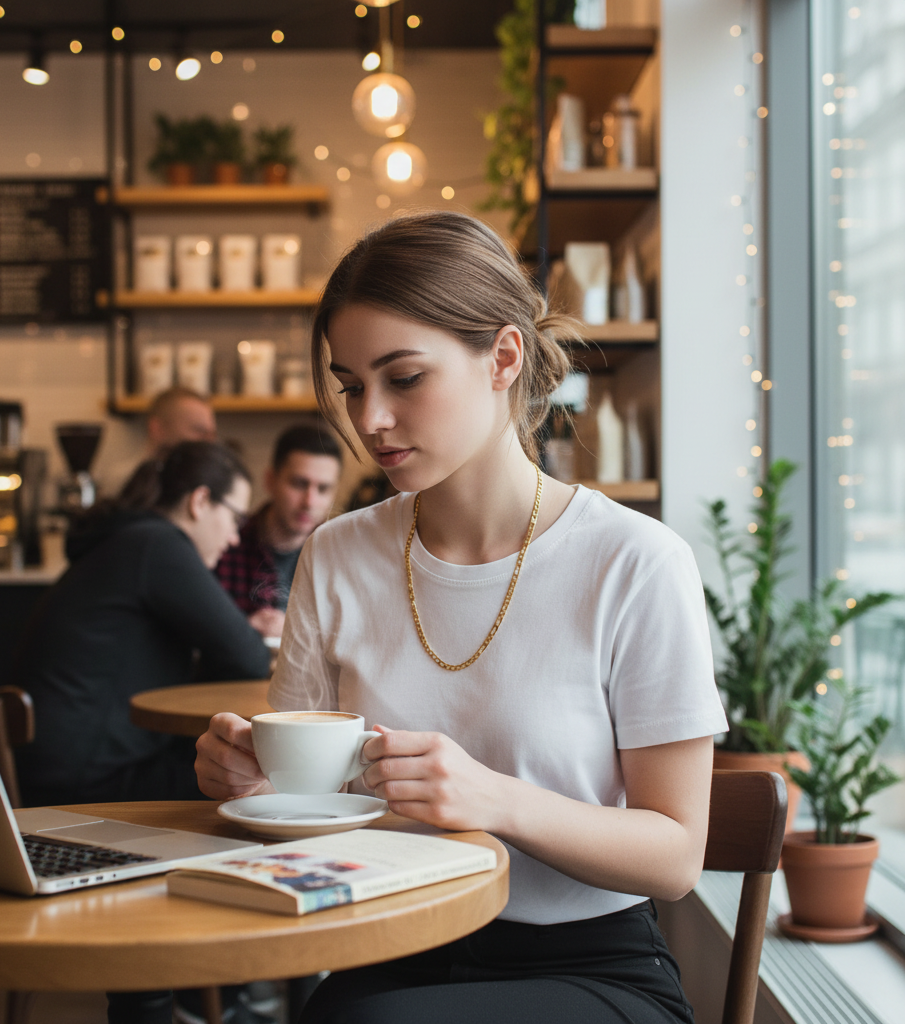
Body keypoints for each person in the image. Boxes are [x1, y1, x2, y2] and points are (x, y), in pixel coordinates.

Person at [195, 211, 728, 1024]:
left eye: (403, 378)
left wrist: (494, 799)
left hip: (592, 968)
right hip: (385, 942)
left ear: (504, 358)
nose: (369, 418)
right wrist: (253, 781)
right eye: (350, 385)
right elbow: (307, 808)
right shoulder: (337, 554)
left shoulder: (636, 562)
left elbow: (676, 854)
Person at [16, 441, 271, 809]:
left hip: (57, 768)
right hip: (89, 781)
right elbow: (248, 657)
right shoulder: (158, 543)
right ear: (199, 501)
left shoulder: (127, 539)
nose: (234, 538)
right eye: (236, 518)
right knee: (251, 783)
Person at [215, 424, 343, 638]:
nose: (309, 502)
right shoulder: (227, 544)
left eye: (323, 489)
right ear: (270, 480)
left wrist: (294, 632)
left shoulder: (339, 555)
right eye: (299, 484)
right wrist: (242, 631)